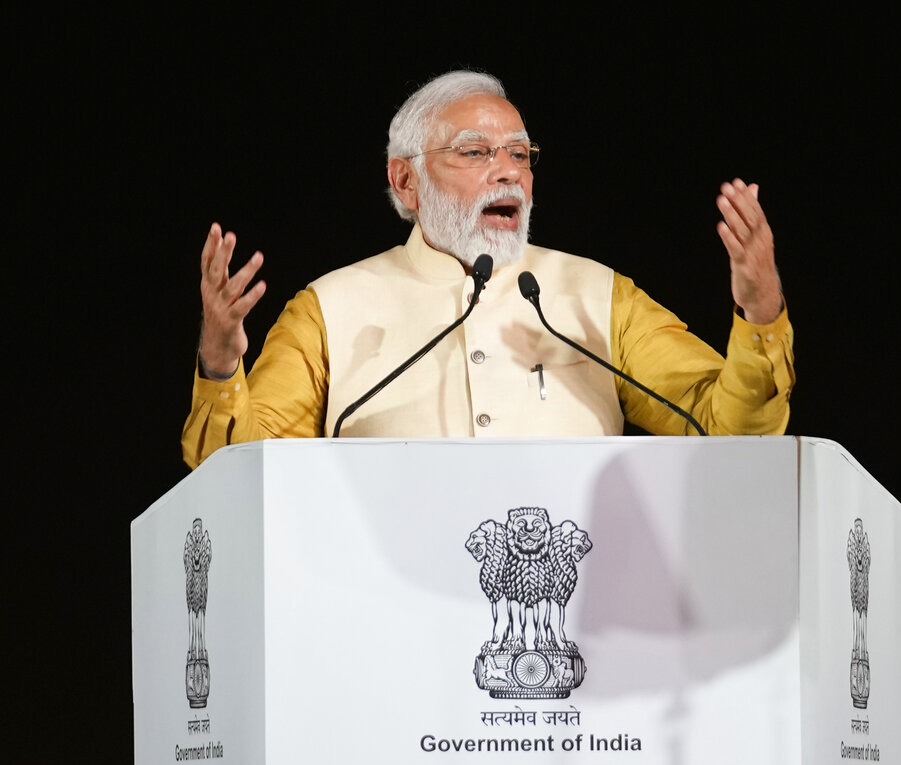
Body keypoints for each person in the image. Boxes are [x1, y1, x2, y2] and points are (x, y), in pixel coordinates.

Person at [182, 70, 794, 469]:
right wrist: (219, 363)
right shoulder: (330, 308)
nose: (508, 172)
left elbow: (731, 435)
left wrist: (760, 312)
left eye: (520, 155)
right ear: (406, 180)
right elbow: (241, 479)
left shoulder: (598, 295)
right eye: (475, 151)